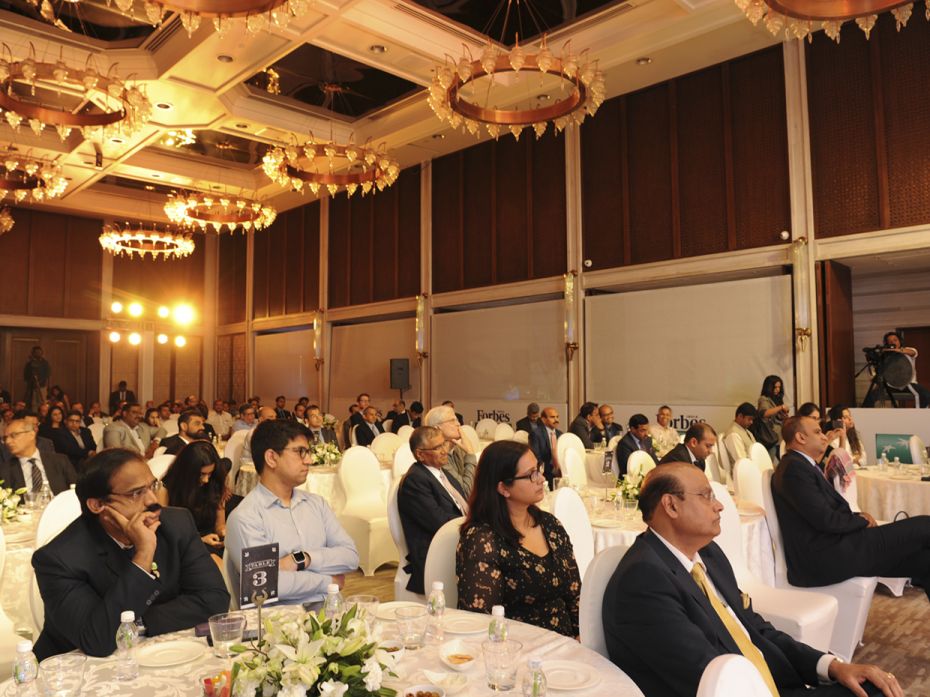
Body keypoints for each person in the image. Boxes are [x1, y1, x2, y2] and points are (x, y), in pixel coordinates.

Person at [604, 462, 902, 697]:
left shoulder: (708, 556)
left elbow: (756, 630)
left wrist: (833, 667)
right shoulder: (643, 580)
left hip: (772, 684)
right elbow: (708, 675)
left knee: (874, 686)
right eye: (706, 496)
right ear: (670, 506)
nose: (719, 505)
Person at [31, 448, 229, 659]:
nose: (152, 500)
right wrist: (143, 553)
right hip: (73, 672)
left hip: (157, 653)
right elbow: (97, 640)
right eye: (136, 493)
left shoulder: (176, 524)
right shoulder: (59, 559)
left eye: (153, 485)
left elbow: (214, 600)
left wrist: (136, 622)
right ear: (98, 505)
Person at [772, 416, 930, 599]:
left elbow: (822, 512)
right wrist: (860, 520)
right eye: (817, 432)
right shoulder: (794, 469)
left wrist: (857, 516)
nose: (824, 436)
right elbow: (826, 520)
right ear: (800, 438)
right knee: (925, 526)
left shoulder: (799, 465)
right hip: (828, 556)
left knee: (925, 562)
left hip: (839, 546)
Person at [225, 419, 359, 605]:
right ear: (271, 458)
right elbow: (267, 583)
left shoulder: (316, 504)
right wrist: (327, 581)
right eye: (300, 452)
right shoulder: (246, 517)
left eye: (308, 452)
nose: (309, 460)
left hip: (330, 613)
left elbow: (350, 556)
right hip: (279, 624)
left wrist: (303, 559)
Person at [456, 440, 580, 637]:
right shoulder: (483, 540)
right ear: (503, 488)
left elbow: (574, 594)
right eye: (531, 474)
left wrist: (580, 637)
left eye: (538, 469)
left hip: (566, 644)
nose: (541, 479)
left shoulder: (550, 525)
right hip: (516, 649)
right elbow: (481, 621)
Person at [397, 426, 469, 594]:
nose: (444, 451)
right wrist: (473, 525)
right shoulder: (415, 480)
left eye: (444, 444)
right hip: (435, 552)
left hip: (456, 538)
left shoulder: (442, 472)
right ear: (420, 454)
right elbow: (439, 522)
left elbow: (462, 503)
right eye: (437, 448)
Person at [158, 441, 232, 561]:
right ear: (187, 472)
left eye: (210, 473)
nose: (206, 480)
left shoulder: (215, 483)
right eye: (202, 474)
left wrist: (224, 533)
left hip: (211, 541)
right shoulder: (166, 490)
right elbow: (165, 533)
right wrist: (200, 540)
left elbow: (220, 525)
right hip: (182, 546)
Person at [0, 418, 77, 494]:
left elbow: (78, 490)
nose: (8, 441)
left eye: (14, 435)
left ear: (31, 435)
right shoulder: (4, 470)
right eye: (5, 438)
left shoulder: (60, 461)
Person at [863, 331, 930, 408]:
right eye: (890, 341)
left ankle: (918, 414)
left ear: (900, 341)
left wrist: (896, 350)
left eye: (895, 340)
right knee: (871, 396)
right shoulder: (885, 355)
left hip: (909, 384)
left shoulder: (908, 350)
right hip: (890, 385)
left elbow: (913, 352)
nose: (893, 342)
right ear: (887, 343)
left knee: (926, 395)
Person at [425, 404, 477, 496]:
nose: (458, 424)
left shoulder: (458, 448)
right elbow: (466, 493)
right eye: (452, 420)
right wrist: (470, 453)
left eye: (456, 419)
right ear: (437, 428)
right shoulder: (438, 457)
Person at [756, 375, 789, 459]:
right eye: (775, 387)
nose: (777, 389)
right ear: (769, 387)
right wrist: (780, 407)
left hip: (779, 436)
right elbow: (764, 413)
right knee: (769, 460)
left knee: (783, 459)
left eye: (779, 387)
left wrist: (783, 415)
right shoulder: (764, 399)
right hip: (770, 435)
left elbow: (777, 417)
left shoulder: (777, 399)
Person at [529, 407, 562, 487]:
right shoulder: (536, 434)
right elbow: (536, 457)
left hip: (560, 471)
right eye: (552, 417)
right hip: (545, 472)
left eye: (557, 417)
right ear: (543, 419)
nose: (556, 420)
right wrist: (552, 471)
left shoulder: (560, 434)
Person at [24, 346, 50, 412]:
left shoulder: (45, 363)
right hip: (31, 387)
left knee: (42, 403)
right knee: (33, 404)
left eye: (39, 352)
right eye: (36, 352)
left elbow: (47, 375)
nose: (38, 354)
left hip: (42, 386)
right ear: (33, 353)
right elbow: (26, 376)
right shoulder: (29, 364)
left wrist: (40, 382)